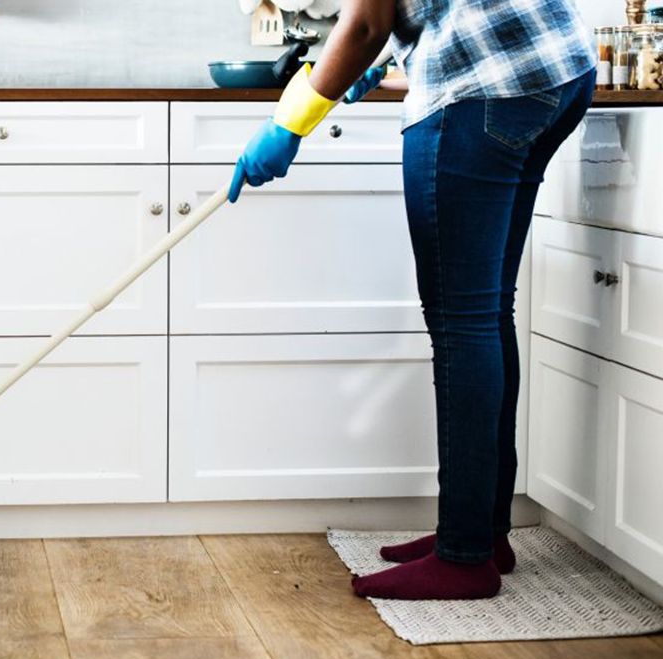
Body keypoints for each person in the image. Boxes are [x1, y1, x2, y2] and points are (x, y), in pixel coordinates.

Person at [231, 0, 596, 601]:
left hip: (484, 93)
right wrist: (405, 64)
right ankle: (482, 532)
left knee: (463, 322)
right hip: (555, 75)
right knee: (486, 312)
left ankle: (463, 557)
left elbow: (367, 22)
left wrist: (289, 123)